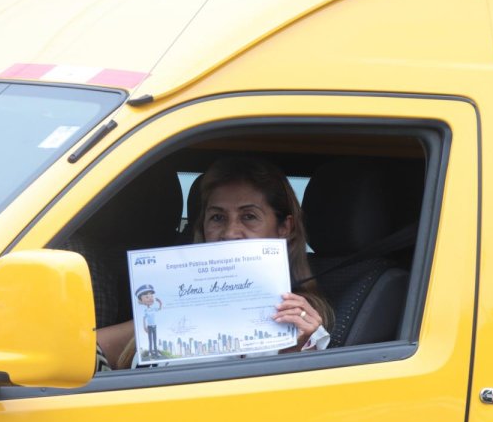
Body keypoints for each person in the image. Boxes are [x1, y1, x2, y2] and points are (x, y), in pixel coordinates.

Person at [98, 156, 334, 369]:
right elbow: (82, 352)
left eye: (249, 216)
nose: (230, 233)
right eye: (218, 217)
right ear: (203, 227)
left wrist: (298, 350)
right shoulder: (169, 305)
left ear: (284, 227)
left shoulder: (300, 322)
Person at [134, 284, 162, 356]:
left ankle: (155, 352)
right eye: (147, 297)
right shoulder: (145, 310)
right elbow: (143, 319)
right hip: (149, 327)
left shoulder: (153, 309)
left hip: (154, 326)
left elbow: (159, 308)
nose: (150, 298)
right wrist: (144, 327)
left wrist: (160, 302)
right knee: (150, 340)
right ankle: (150, 352)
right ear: (141, 300)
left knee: (154, 339)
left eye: (151, 296)